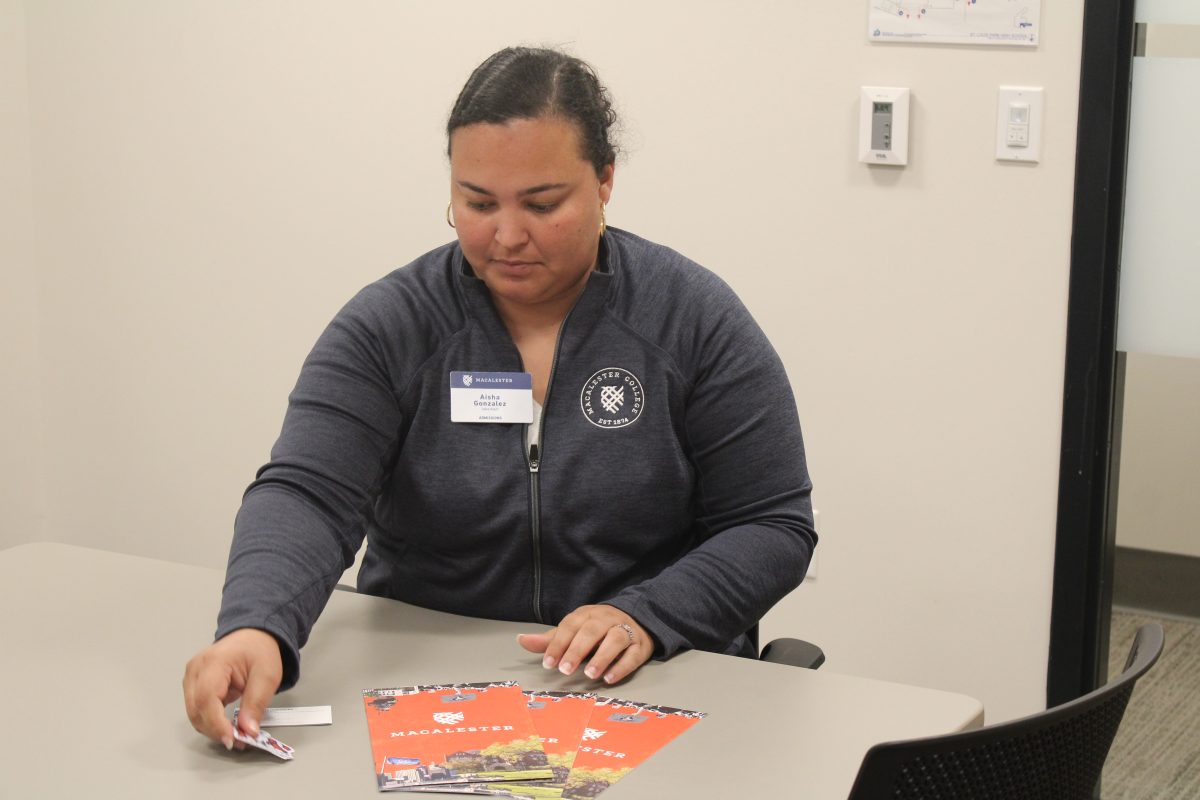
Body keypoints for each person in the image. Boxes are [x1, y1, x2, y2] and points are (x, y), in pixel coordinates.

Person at [183, 46, 816, 750]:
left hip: (645, 684)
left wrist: (646, 614)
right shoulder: (392, 324)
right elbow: (308, 493)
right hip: (431, 691)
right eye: (477, 203)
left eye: (542, 204)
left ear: (605, 180)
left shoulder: (691, 318)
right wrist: (256, 624)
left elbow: (771, 523)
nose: (506, 236)